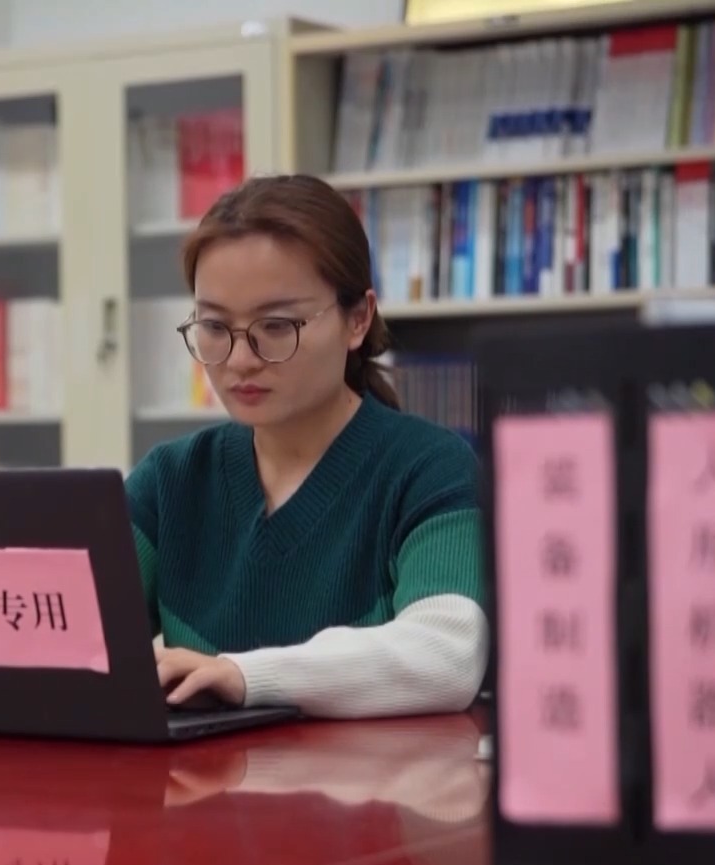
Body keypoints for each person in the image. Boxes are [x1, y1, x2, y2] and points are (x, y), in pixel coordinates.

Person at [128, 175, 485, 719]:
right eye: (214, 326)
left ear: (357, 319)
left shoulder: (430, 470)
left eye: (276, 326)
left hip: (373, 776)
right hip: (199, 775)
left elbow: (447, 653)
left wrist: (246, 676)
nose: (240, 359)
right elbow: (68, 635)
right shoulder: (170, 480)